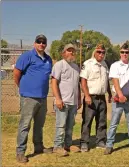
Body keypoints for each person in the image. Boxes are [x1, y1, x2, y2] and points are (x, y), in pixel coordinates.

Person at [13, 34, 53, 163]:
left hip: (42, 97)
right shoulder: (27, 56)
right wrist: (23, 87)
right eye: (39, 41)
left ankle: (38, 147)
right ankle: (20, 152)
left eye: (43, 42)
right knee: (25, 125)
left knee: (39, 125)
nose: (41, 44)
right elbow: (17, 73)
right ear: (34, 43)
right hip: (29, 97)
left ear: (46, 44)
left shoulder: (48, 59)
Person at [104, 42, 129, 155]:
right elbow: (115, 81)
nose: (124, 54)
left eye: (126, 52)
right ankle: (109, 145)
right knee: (114, 123)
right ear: (120, 53)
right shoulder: (115, 65)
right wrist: (120, 95)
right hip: (118, 99)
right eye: (122, 52)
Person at [80, 43, 112, 152]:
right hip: (91, 97)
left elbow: (106, 81)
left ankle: (100, 141)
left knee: (102, 121)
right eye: (99, 52)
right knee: (87, 121)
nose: (101, 54)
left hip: (102, 97)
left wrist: (110, 94)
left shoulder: (105, 65)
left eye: (103, 52)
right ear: (95, 52)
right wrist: (87, 95)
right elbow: (83, 81)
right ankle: (84, 142)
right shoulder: (88, 64)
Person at [51, 44, 81, 156]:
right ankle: (57, 146)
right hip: (62, 101)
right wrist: (58, 99)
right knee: (61, 125)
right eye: (69, 51)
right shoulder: (59, 65)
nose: (71, 53)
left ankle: (68, 144)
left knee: (70, 125)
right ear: (63, 53)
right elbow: (54, 82)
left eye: (73, 51)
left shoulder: (76, 67)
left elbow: (77, 85)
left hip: (73, 102)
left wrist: (79, 99)